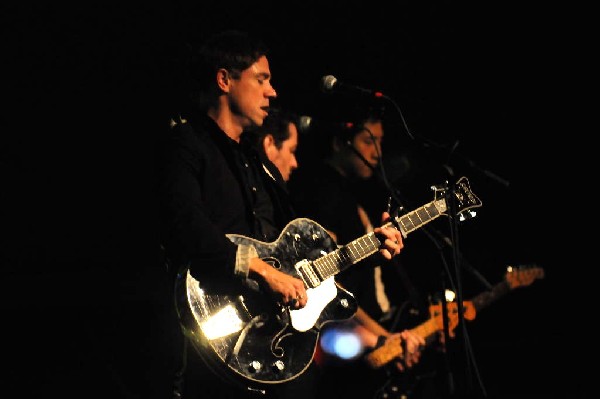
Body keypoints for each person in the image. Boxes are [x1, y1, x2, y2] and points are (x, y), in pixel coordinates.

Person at [156, 30, 405, 399]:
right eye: (262, 79)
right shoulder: (187, 145)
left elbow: (303, 263)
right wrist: (262, 271)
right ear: (224, 79)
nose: (272, 92)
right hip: (211, 344)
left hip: (272, 346)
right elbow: (185, 226)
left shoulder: (259, 164)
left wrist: (370, 250)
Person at [289, 98, 426, 399]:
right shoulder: (323, 193)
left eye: (379, 142)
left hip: (375, 328)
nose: (376, 152)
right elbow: (328, 285)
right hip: (349, 341)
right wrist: (382, 337)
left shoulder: (354, 194)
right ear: (340, 142)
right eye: (367, 141)